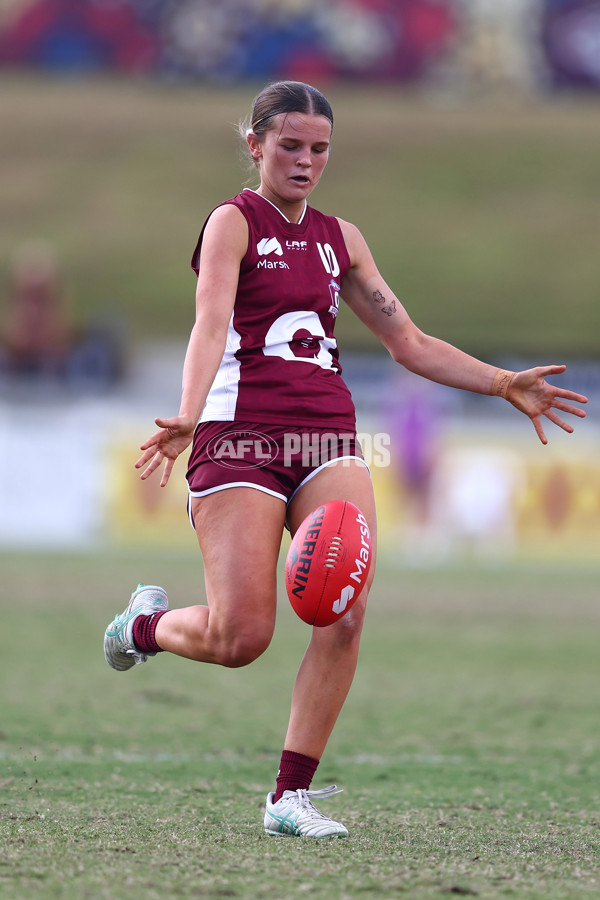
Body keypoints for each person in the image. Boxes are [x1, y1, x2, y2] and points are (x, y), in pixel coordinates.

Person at [103, 81, 588, 838]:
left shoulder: (343, 239)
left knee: (345, 611)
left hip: (327, 433)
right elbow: (208, 325)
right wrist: (189, 414)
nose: (305, 161)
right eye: (290, 145)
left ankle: (287, 797)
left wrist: (501, 382)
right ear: (255, 144)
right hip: (241, 435)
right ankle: (141, 627)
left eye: (319, 149)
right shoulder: (233, 223)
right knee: (242, 638)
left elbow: (410, 343)